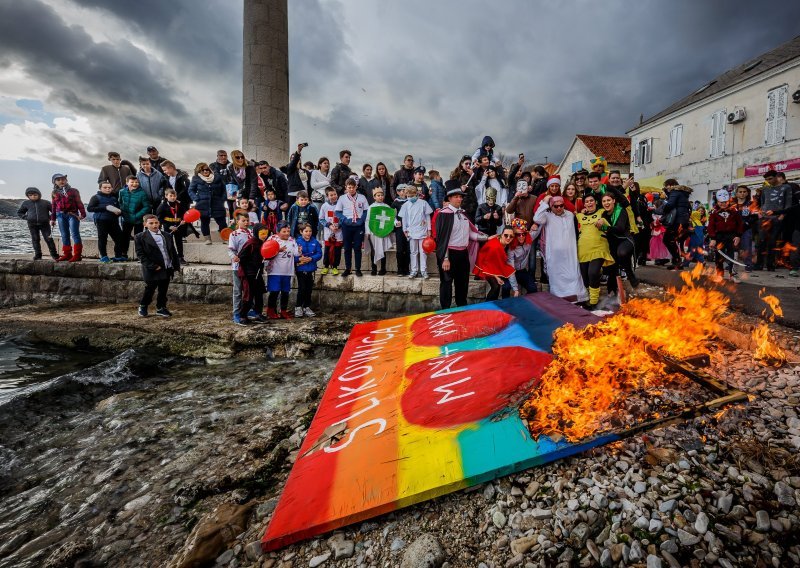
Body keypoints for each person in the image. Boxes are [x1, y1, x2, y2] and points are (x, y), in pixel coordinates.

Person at [434, 184, 488, 309]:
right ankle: (445, 310)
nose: (460, 199)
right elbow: (442, 239)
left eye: (461, 197)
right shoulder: (444, 214)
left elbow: (470, 234)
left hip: (463, 254)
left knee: (462, 283)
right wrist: (445, 258)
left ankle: (461, 308)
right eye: (457, 197)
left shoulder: (464, 215)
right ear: (450, 198)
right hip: (449, 254)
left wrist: (485, 238)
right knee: (446, 283)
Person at [533, 194, 587, 302]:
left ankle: (578, 299)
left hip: (570, 253)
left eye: (561, 206)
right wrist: (544, 202)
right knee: (556, 278)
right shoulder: (547, 216)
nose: (559, 208)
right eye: (555, 206)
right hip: (554, 255)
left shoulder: (570, 215)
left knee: (573, 275)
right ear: (551, 207)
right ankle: (559, 301)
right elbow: (536, 218)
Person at [134, 214, 180, 317]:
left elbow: (172, 251)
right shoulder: (140, 237)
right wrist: (153, 266)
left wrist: (175, 265)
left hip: (167, 266)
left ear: (159, 223)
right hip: (152, 268)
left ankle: (161, 307)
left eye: (156, 223)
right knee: (150, 289)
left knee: (163, 290)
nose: (154, 225)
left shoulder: (167, 235)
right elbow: (140, 255)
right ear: (145, 224)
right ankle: (143, 305)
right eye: (151, 223)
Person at [576, 194, 614, 309]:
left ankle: (593, 302)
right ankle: (586, 299)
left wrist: (603, 221)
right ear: (584, 204)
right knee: (584, 276)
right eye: (586, 201)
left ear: (596, 202)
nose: (589, 203)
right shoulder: (578, 216)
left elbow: (610, 221)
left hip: (599, 247)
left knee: (593, 273)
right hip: (583, 249)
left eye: (591, 201)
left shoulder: (603, 212)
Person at [598, 192, 639, 293]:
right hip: (612, 242)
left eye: (608, 200)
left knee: (621, 253)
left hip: (625, 239)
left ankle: (630, 274)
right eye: (604, 201)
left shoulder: (621, 210)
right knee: (612, 264)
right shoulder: (603, 213)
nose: (606, 203)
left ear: (613, 201)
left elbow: (620, 228)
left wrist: (605, 227)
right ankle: (612, 290)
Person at [755, 169, 791, 271]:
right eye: (767, 179)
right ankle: (759, 264)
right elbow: (762, 203)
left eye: (770, 179)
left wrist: (782, 215)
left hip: (777, 218)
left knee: (772, 242)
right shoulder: (765, 189)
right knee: (761, 241)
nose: (769, 181)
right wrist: (760, 212)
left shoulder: (786, 187)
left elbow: (788, 203)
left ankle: (770, 265)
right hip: (764, 218)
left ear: (776, 177)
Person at [234, 223, 269, 326]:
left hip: (258, 273)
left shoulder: (264, 243)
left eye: (266, 233)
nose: (264, 236)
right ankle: (242, 315)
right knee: (248, 296)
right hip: (249, 273)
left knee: (259, 294)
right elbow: (241, 257)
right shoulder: (251, 243)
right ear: (256, 233)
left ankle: (258, 314)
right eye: (262, 233)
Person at [707, 189, 744, 281]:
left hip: (732, 236)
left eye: (725, 202)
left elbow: (740, 224)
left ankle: (733, 275)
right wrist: (713, 238)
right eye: (720, 202)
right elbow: (711, 226)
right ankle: (720, 274)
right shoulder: (714, 212)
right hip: (719, 236)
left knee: (734, 256)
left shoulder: (734, 211)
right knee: (719, 256)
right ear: (717, 202)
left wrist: (738, 236)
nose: (723, 204)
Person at [335, 178, 369, 277]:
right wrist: (345, 220)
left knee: (358, 247)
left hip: (358, 226)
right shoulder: (342, 198)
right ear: (346, 187)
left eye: (353, 187)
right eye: (349, 187)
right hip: (347, 226)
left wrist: (361, 220)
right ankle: (348, 268)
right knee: (347, 248)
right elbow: (338, 212)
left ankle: (358, 269)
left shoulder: (362, 197)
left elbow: (366, 211)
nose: (351, 189)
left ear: (356, 187)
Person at [265, 221, 299, 319]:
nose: (287, 233)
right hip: (275, 270)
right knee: (274, 291)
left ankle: (283, 311)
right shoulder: (272, 239)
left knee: (285, 292)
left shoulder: (292, 240)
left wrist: (299, 251)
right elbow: (266, 252)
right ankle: (271, 310)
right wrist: (277, 250)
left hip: (287, 270)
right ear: (278, 232)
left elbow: (296, 253)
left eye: (288, 231)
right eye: (284, 231)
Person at [50, 173, 86, 262]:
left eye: (63, 179)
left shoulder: (73, 191)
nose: (61, 181)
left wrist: (83, 213)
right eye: (58, 180)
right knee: (64, 235)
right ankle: (67, 254)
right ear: (54, 182)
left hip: (72, 214)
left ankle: (77, 255)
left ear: (66, 180)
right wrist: (53, 219)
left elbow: (79, 202)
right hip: (60, 215)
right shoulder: (54, 193)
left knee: (75, 234)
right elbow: (53, 206)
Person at [188, 162, 227, 244]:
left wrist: (222, 199)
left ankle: (225, 238)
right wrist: (197, 199)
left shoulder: (217, 178)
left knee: (222, 222)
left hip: (217, 203)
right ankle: (207, 239)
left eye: (207, 169)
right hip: (203, 204)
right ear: (199, 171)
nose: (205, 171)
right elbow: (191, 190)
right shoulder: (196, 179)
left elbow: (224, 190)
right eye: (202, 170)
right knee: (205, 222)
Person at [473, 227, 517, 300]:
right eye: (506, 235)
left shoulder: (505, 243)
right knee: (496, 286)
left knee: (499, 286)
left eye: (511, 236)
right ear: (501, 235)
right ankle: (487, 306)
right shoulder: (495, 247)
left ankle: (494, 305)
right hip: (484, 267)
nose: (508, 238)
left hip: (495, 266)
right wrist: (496, 277)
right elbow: (488, 264)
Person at [400, 184, 433, 279]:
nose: (410, 198)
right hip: (411, 231)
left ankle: (423, 270)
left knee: (423, 251)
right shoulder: (405, 205)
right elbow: (404, 218)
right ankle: (414, 270)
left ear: (416, 194)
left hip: (422, 230)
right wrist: (405, 230)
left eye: (411, 196)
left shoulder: (423, 203)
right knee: (413, 251)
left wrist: (429, 229)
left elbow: (427, 216)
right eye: (408, 196)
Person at [86, 181, 124, 263]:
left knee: (119, 238)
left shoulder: (114, 198)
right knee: (103, 239)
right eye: (105, 187)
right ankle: (103, 256)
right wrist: (105, 207)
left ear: (112, 188)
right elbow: (90, 208)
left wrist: (118, 212)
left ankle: (118, 256)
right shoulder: (95, 197)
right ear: (100, 188)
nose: (107, 189)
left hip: (113, 221)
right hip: (101, 221)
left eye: (109, 187)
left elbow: (118, 209)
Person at [17, 187, 58, 260]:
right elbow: (20, 212)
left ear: (39, 194)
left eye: (35, 195)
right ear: (28, 196)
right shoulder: (26, 203)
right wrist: (27, 217)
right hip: (32, 224)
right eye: (30, 195)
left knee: (48, 239)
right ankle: (38, 255)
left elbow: (54, 212)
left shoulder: (46, 202)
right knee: (35, 239)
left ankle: (54, 255)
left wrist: (49, 218)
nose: (33, 196)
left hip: (45, 224)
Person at [660, 179, 692, 270]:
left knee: (667, 239)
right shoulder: (683, 194)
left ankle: (677, 261)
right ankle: (677, 261)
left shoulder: (675, 192)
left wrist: (663, 208)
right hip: (683, 220)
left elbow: (670, 205)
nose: (666, 188)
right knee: (672, 241)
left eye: (666, 186)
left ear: (671, 185)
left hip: (677, 220)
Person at [502, 218, 538, 298]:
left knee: (533, 288)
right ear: (514, 235)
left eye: (523, 234)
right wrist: (515, 289)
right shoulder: (511, 249)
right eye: (518, 234)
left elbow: (539, 225)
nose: (521, 236)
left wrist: (536, 223)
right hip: (509, 272)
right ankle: (506, 307)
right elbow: (511, 269)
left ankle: (526, 305)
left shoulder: (529, 238)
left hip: (522, 271)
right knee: (506, 287)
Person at [228, 212, 253, 324]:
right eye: (243, 220)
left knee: (250, 290)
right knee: (238, 291)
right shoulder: (234, 234)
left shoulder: (252, 233)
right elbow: (231, 250)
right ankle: (236, 313)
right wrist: (234, 257)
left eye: (247, 220)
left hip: (250, 267)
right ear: (237, 221)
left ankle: (249, 310)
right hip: (238, 267)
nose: (246, 222)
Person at [118, 175, 150, 261]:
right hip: (126, 219)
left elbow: (147, 207)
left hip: (138, 219)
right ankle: (124, 254)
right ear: (127, 183)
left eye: (136, 182)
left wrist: (137, 215)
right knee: (125, 237)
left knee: (138, 238)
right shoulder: (122, 192)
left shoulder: (142, 193)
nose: (134, 184)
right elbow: (120, 203)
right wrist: (123, 212)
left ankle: (140, 256)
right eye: (132, 182)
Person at [294, 223, 323, 317]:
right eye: (306, 231)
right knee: (302, 288)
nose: (308, 233)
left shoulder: (315, 241)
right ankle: (298, 307)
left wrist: (311, 258)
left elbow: (319, 253)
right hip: (301, 269)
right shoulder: (296, 242)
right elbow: (292, 255)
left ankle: (307, 307)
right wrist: (299, 259)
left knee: (309, 289)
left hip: (311, 268)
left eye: (310, 231)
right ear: (301, 232)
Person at [156, 188, 189, 264]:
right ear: (166, 196)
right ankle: (170, 257)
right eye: (171, 196)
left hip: (179, 226)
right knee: (169, 243)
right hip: (168, 227)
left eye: (174, 196)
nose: (173, 197)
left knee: (179, 242)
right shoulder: (162, 206)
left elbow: (185, 214)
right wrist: (169, 226)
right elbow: (159, 219)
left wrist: (184, 220)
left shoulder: (180, 205)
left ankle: (181, 257)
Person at [365, 189, 394, 275]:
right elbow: (367, 220)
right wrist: (368, 232)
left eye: (382, 195)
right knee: (374, 250)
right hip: (374, 232)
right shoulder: (371, 207)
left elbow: (390, 219)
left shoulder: (387, 207)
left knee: (383, 249)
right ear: (374, 197)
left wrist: (390, 229)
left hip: (383, 232)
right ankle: (374, 269)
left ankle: (383, 268)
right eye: (378, 195)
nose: (380, 197)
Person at [732, 185, 757, 271]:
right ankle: (731, 264)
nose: (742, 194)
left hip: (746, 229)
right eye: (740, 192)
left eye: (744, 192)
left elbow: (754, 217)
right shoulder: (732, 205)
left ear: (747, 193)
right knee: (733, 248)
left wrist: (746, 223)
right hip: (733, 230)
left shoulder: (750, 204)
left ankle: (748, 265)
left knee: (747, 248)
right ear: (736, 193)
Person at [318, 187, 342, 275]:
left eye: (335, 194)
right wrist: (329, 225)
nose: (333, 196)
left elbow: (344, 217)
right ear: (327, 196)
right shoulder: (324, 206)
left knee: (337, 250)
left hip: (339, 232)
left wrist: (339, 225)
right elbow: (321, 219)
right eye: (331, 195)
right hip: (328, 232)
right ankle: (326, 266)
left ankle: (335, 267)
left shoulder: (340, 205)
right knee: (327, 250)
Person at [391, 184, 410, 276]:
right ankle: (400, 269)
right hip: (399, 229)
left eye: (405, 190)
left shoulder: (410, 201)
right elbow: (392, 215)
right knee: (400, 249)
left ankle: (407, 269)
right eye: (402, 190)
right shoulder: (395, 202)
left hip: (409, 229)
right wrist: (395, 222)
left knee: (408, 249)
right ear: (398, 192)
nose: (404, 192)